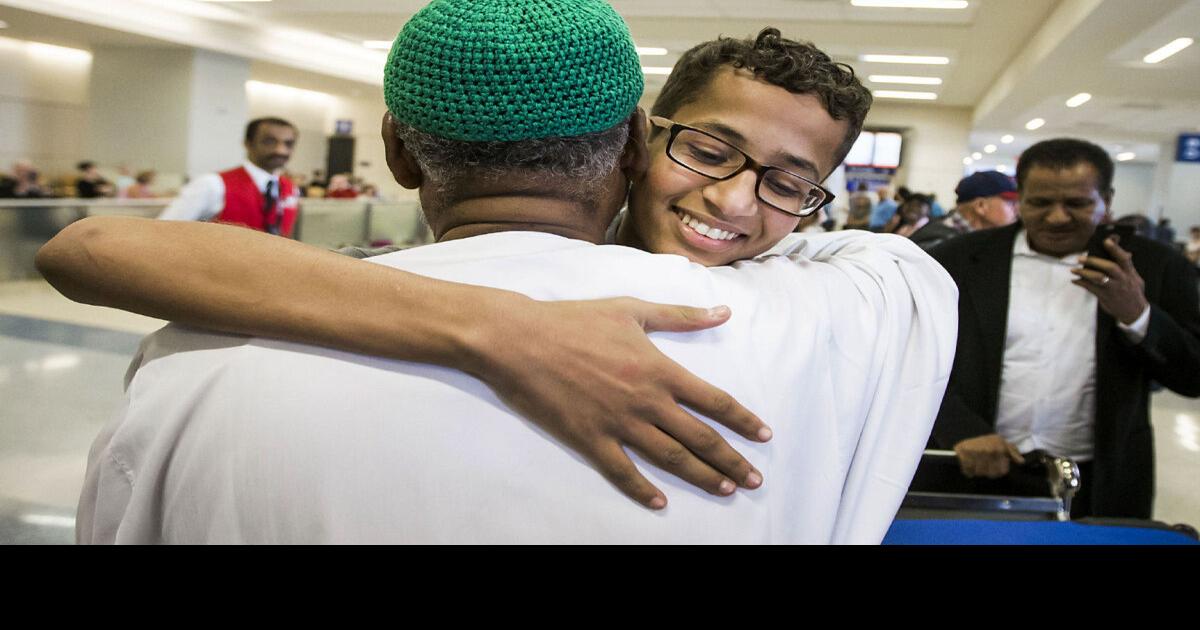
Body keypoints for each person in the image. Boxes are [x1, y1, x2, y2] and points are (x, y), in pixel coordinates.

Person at [46, 4, 956, 542]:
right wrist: (496, 325)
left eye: (791, 185)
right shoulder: (826, 321)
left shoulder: (197, 363)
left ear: (398, 153)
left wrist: (473, 316)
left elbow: (91, 250)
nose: (733, 202)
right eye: (712, 151)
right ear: (639, 140)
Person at [928, 138, 1200, 519]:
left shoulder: (1155, 267)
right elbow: (914, 357)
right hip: (972, 466)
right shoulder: (957, 259)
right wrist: (958, 428)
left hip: (1099, 480)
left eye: (1077, 203)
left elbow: (1193, 375)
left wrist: (1138, 315)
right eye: (1040, 203)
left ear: (1107, 199)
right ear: (1020, 198)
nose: (1057, 218)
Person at [157, 117, 301, 237]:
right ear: (248, 144)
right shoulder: (213, 184)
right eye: (270, 141)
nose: (280, 150)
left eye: (288, 144)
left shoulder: (291, 189)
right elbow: (162, 233)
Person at [909, 170, 1018, 251]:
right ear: (980, 206)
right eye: (1010, 203)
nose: (1016, 209)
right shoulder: (940, 245)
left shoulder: (965, 239)